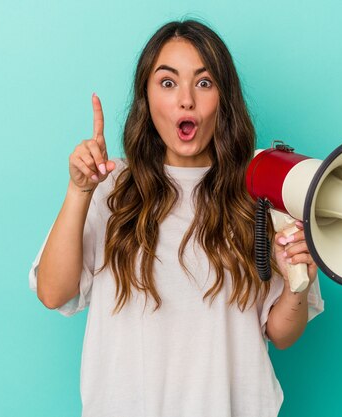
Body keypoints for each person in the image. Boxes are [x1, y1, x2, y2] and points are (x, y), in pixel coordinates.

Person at [29, 19, 324, 417]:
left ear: (224, 98)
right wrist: (80, 189)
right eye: (168, 83)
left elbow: (281, 333)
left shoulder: (262, 193)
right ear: (146, 99)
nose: (186, 100)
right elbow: (53, 293)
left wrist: (297, 281)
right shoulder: (110, 188)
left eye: (204, 83)